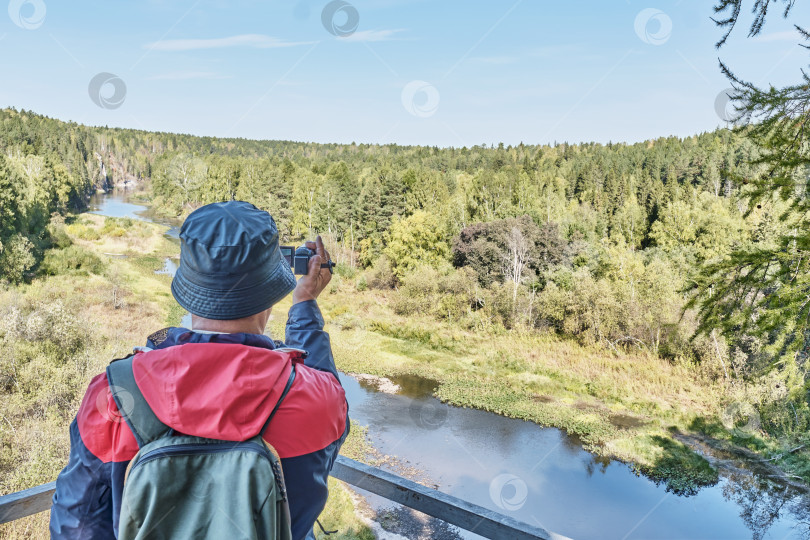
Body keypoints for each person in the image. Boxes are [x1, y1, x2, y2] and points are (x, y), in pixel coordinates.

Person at [49, 201, 348, 540]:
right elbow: (331, 401)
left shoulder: (115, 395)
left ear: (187, 291)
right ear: (271, 292)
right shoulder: (318, 399)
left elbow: (76, 523)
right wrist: (305, 306)